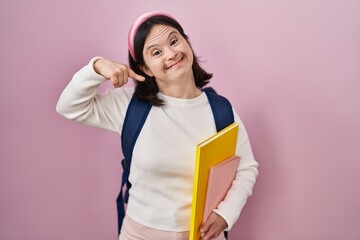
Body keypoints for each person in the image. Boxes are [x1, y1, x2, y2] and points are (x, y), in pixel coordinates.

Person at [56, 11, 258, 240]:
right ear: (145, 69)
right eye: (157, 52)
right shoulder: (130, 106)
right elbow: (69, 106)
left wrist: (226, 215)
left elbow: (246, 168)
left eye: (174, 41)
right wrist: (96, 67)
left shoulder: (221, 111)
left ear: (187, 42)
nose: (171, 54)